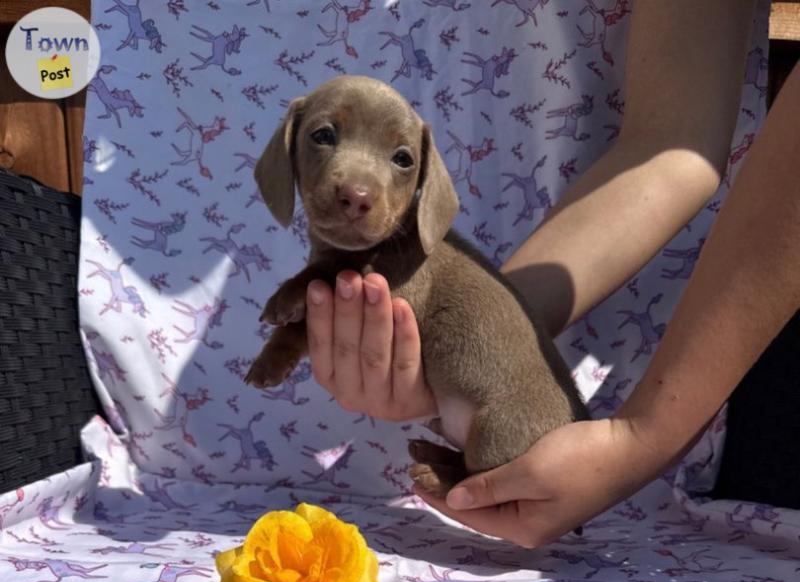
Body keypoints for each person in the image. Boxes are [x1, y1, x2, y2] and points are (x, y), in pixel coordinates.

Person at [303, 2, 799, 548]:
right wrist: (466, 342)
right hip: (235, 458)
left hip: (624, 436)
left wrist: (641, 436)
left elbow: (673, 141)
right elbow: (671, 140)